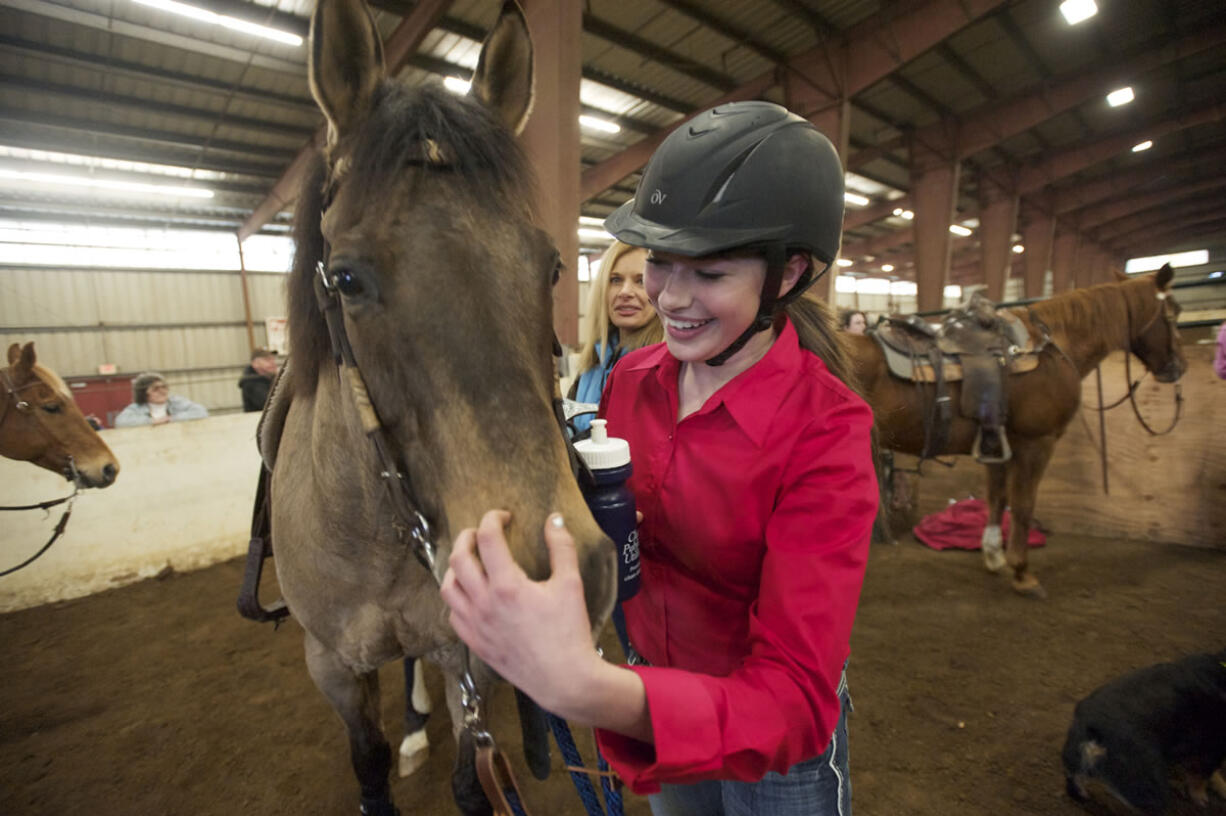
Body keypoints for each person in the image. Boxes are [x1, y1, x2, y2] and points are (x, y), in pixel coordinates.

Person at [441, 101, 879, 815]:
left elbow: (797, 697)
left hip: (766, 734)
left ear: (789, 273)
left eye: (708, 273)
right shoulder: (629, 382)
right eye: (661, 265)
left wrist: (586, 688)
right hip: (654, 696)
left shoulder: (827, 431)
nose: (670, 299)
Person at [568, 240, 663, 434]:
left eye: (641, 281)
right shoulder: (591, 365)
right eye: (615, 280)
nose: (625, 292)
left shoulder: (666, 370)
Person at [114, 372, 209, 427]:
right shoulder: (136, 408)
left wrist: (171, 419)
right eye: (155, 389)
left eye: (164, 387)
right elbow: (120, 422)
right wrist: (152, 422)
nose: (162, 391)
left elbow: (201, 412)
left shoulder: (176, 402)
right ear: (144, 393)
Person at [238, 348, 279, 413]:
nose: (273, 362)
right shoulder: (251, 383)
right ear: (255, 364)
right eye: (267, 360)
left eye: (273, 359)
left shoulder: (270, 378)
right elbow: (270, 405)